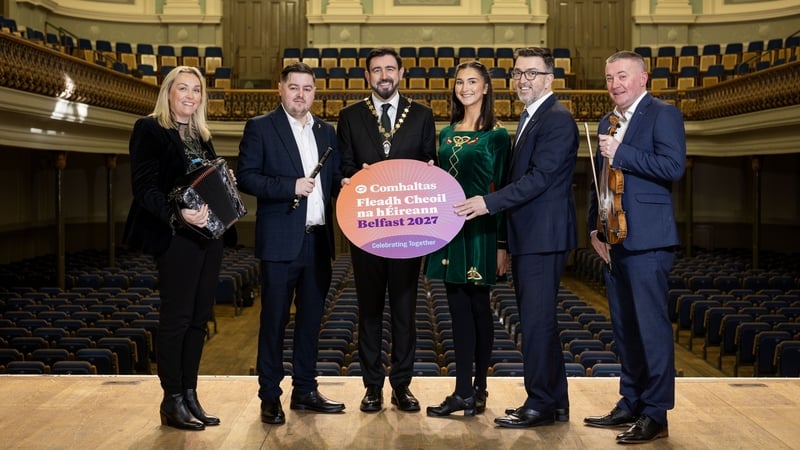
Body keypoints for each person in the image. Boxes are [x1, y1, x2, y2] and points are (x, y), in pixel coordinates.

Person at [454, 47, 578, 428]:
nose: (524, 80)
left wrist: (487, 203)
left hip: (542, 237)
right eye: (518, 73)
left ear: (549, 79)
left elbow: (538, 179)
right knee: (541, 323)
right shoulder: (532, 116)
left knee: (537, 324)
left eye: (532, 74)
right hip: (532, 237)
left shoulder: (556, 119)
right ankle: (554, 402)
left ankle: (539, 404)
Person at [583, 50, 685, 444]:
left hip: (649, 240)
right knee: (625, 328)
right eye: (609, 78)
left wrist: (622, 152)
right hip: (614, 237)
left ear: (643, 78)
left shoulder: (663, 113)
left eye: (622, 76)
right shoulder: (608, 121)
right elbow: (601, 178)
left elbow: (673, 167)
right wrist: (595, 228)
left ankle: (655, 413)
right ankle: (631, 402)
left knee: (651, 329)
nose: (615, 84)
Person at [237, 62, 345, 425]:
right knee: (274, 322)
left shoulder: (328, 133)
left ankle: (304, 390)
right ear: (280, 89)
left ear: (315, 93)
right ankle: (270, 395)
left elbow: (336, 179)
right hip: (280, 243)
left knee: (311, 322)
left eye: (308, 89)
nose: (301, 95)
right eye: (294, 87)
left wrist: (347, 185)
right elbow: (247, 177)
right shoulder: (261, 127)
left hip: (318, 243)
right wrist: (289, 186)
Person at [124, 66, 229, 431]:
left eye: (196, 90)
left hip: (208, 237)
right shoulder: (150, 129)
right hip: (175, 237)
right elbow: (145, 189)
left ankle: (190, 393)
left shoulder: (201, 135)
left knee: (199, 318)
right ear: (168, 93)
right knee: (177, 319)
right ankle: (171, 400)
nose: (189, 95)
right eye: (182, 88)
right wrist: (180, 214)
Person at [337, 47, 437, 413]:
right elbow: (343, 166)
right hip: (367, 229)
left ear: (401, 72)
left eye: (389, 69)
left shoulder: (423, 115)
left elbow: (432, 164)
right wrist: (351, 177)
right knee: (369, 312)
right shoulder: (349, 116)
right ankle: (372, 386)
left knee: (405, 311)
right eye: (376, 69)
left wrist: (427, 169)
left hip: (409, 233)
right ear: (367, 76)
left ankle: (402, 386)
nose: (383, 75)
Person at [424, 61, 510, 417]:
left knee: (480, 311)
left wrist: (503, 245)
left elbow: (504, 192)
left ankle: (479, 390)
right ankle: (462, 391)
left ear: (486, 88)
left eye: (473, 81)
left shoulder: (498, 136)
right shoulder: (444, 133)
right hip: (449, 231)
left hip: (482, 233)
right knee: (457, 312)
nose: (465, 87)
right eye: (460, 82)